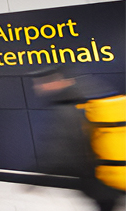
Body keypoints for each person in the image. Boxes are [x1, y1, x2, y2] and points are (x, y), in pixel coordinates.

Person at [31, 69, 124, 211]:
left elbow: (61, 145)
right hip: (117, 169)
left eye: (39, 83)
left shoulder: (67, 105)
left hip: (98, 177)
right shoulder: (92, 91)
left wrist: (40, 176)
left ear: (53, 82)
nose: (36, 87)